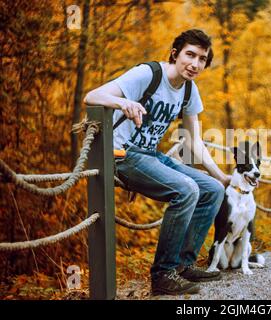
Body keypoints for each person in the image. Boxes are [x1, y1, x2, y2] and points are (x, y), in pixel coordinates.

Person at [84, 29, 230, 296]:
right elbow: (92, 96)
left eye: (202, 59)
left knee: (212, 190)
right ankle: (163, 274)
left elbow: (194, 142)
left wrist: (221, 175)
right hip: (121, 154)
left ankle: (184, 266)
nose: (195, 64)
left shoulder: (189, 90)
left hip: (149, 154)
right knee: (186, 190)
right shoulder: (148, 74)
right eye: (190, 55)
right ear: (175, 54)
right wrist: (122, 102)